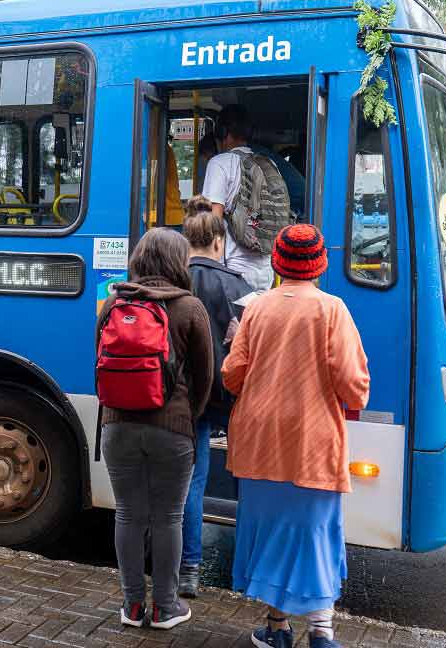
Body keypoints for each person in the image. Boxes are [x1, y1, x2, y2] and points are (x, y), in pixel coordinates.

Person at [221, 224, 371, 648]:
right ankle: (321, 632)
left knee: (270, 532)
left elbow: (232, 376)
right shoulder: (332, 310)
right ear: (319, 265)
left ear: (277, 262)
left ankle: (277, 628)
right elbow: (354, 385)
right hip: (312, 441)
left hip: (258, 441)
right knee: (315, 532)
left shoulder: (257, 309)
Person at [97, 227, 213, 630]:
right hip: (172, 429)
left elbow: (99, 363)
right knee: (168, 517)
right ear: (177, 262)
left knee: (128, 514)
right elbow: (205, 377)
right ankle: (165, 607)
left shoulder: (112, 303)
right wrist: (185, 417)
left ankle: (131, 607)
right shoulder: (189, 308)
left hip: (116, 425)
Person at [178, 197, 252, 599]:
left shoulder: (169, 280)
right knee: (217, 481)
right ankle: (241, 572)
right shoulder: (237, 286)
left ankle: (185, 567)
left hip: (174, 399)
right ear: (220, 243)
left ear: (185, 240)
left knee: (182, 483)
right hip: (220, 399)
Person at [202, 105, 293, 293]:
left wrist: (207, 266)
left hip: (234, 270)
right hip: (266, 269)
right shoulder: (269, 163)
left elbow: (213, 219)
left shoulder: (219, 163)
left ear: (223, 132)